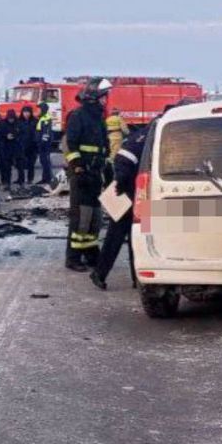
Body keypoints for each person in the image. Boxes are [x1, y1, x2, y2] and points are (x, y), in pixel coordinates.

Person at [89, 124, 150, 290]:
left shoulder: (149, 132)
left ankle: (135, 278)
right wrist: (121, 183)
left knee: (138, 236)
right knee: (119, 234)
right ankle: (100, 273)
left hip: (142, 192)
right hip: (131, 191)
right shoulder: (149, 135)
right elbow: (124, 157)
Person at [64, 77, 112, 272]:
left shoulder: (98, 117)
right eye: (104, 96)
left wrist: (107, 166)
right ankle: (73, 257)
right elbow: (71, 144)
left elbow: (103, 146)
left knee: (94, 216)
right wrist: (77, 167)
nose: (106, 100)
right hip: (82, 173)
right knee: (81, 216)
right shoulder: (78, 116)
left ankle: (91, 252)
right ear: (94, 97)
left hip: (95, 172)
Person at [0, 109, 20, 190]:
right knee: (7, 167)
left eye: (12, 118)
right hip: (6, 148)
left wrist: (15, 136)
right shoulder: (2, 123)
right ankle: (7, 183)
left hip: (17, 147)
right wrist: (6, 136)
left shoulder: (18, 122)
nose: (11, 120)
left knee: (20, 166)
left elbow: (22, 133)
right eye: (10, 118)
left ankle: (21, 182)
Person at [17, 105, 38, 185]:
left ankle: (30, 179)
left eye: (28, 112)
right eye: (25, 112)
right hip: (21, 145)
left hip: (32, 146)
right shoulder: (19, 121)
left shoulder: (35, 121)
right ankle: (21, 179)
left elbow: (38, 132)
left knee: (31, 164)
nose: (26, 114)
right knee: (20, 164)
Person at [35, 101, 54, 185]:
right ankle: (45, 178)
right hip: (41, 144)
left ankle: (49, 179)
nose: (37, 110)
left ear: (42, 109)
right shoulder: (42, 118)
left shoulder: (46, 119)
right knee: (43, 161)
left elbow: (46, 133)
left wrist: (42, 143)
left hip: (44, 145)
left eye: (38, 109)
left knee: (46, 161)